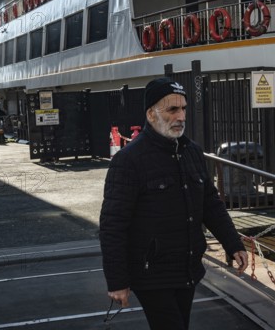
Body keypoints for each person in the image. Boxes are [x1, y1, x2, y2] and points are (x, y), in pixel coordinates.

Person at [99, 77, 248, 330]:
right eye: (172, 109)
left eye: (183, 109)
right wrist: (117, 281)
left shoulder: (191, 152)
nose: (181, 116)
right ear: (151, 113)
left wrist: (233, 243)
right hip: (151, 274)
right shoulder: (129, 161)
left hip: (186, 269)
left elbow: (210, 204)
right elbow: (112, 225)